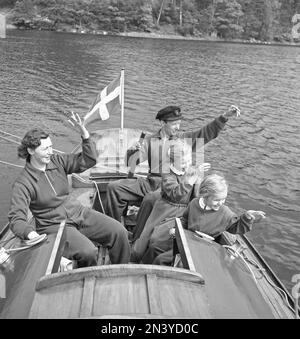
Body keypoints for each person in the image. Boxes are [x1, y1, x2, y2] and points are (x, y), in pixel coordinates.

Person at [8, 112, 130, 267]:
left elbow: (88, 160)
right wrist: (30, 233)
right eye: (45, 149)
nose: (51, 152)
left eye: (51, 147)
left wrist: (85, 136)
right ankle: (85, 280)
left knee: (119, 231)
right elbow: (16, 218)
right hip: (54, 225)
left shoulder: (57, 161)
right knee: (88, 252)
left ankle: (121, 269)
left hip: (78, 212)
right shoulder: (23, 183)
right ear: (31, 151)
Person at [105, 104, 241, 235]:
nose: (178, 127)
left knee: (151, 199)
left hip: (175, 184)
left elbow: (206, 133)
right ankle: (114, 227)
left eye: (179, 123)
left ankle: (140, 232)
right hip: (151, 182)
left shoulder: (184, 139)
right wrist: (132, 151)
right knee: (114, 187)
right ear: (163, 123)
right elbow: (131, 164)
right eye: (174, 124)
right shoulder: (150, 140)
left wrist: (224, 117)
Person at [147, 172, 266, 266]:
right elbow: (185, 220)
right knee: (155, 246)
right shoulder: (194, 203)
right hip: (186, 242)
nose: (221, 203)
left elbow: (236, 227)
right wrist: (177, 229)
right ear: (204, 195)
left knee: (161, 259)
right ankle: (147, 268)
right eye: (217, 199)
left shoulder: (225, 213)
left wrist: (247, 218)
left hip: (202, 250)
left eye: (223, 199)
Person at [130, 139, 210, 263]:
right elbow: (175, 194)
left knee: (164, 239)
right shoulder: (167, 175)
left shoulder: (190, 171)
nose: (188, 164)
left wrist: (198, 177)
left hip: (182, 212)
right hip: (165, 209)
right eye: (183, 162)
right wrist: (190, 180)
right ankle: (135, 256)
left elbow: (196, 196)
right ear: (172, 161)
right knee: (148, 234)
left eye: (189, 160)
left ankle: (158, 258)